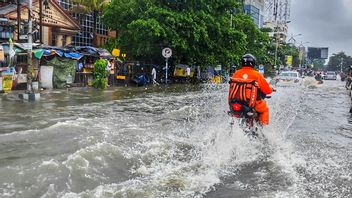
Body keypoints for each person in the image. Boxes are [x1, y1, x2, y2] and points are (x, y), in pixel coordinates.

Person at [230, 54, 273, 125]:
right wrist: (271, 89)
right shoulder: (257, 75)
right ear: (253, 63)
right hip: (251, 104)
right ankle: (263, 128)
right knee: (265, 110)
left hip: (235, 102)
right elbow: (267, 90)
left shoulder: (236, 73)